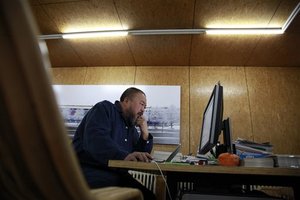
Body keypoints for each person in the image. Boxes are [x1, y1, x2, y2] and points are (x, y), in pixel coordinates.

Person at [72, 87, 156, 200]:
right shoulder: (104, 108)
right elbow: (96, 141)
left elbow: (139, 155)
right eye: (141, 104)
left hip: (116, 174)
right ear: (126, 101)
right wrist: (124, 156)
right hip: (89, 171)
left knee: (149, 197)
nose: (143, 110)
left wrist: (145, 134)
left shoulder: (131, 127)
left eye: (145, 107)